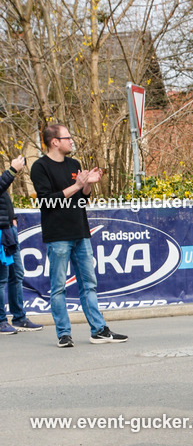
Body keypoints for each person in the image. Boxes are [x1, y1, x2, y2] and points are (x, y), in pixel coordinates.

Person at [30, 124, 127, 348]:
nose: (71, 141)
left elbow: (81, 202)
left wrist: (87, 187)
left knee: (89, 285)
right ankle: (64, 334)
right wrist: (77, 185)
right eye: (68, 137)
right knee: (59, 287)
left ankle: (99, 330)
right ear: (55, 141)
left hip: (81, 233)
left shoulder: (75, 164)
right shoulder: (40, 167)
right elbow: (46, 201)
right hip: (58, 236)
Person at [0, 155, 42, 334]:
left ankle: (19, 318)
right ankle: (1, 320)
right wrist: (12, 170)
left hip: (9, 230)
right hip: (1, 233)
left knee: (16, 274)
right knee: (1, 279)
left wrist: (13, 218)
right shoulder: (6, 174)